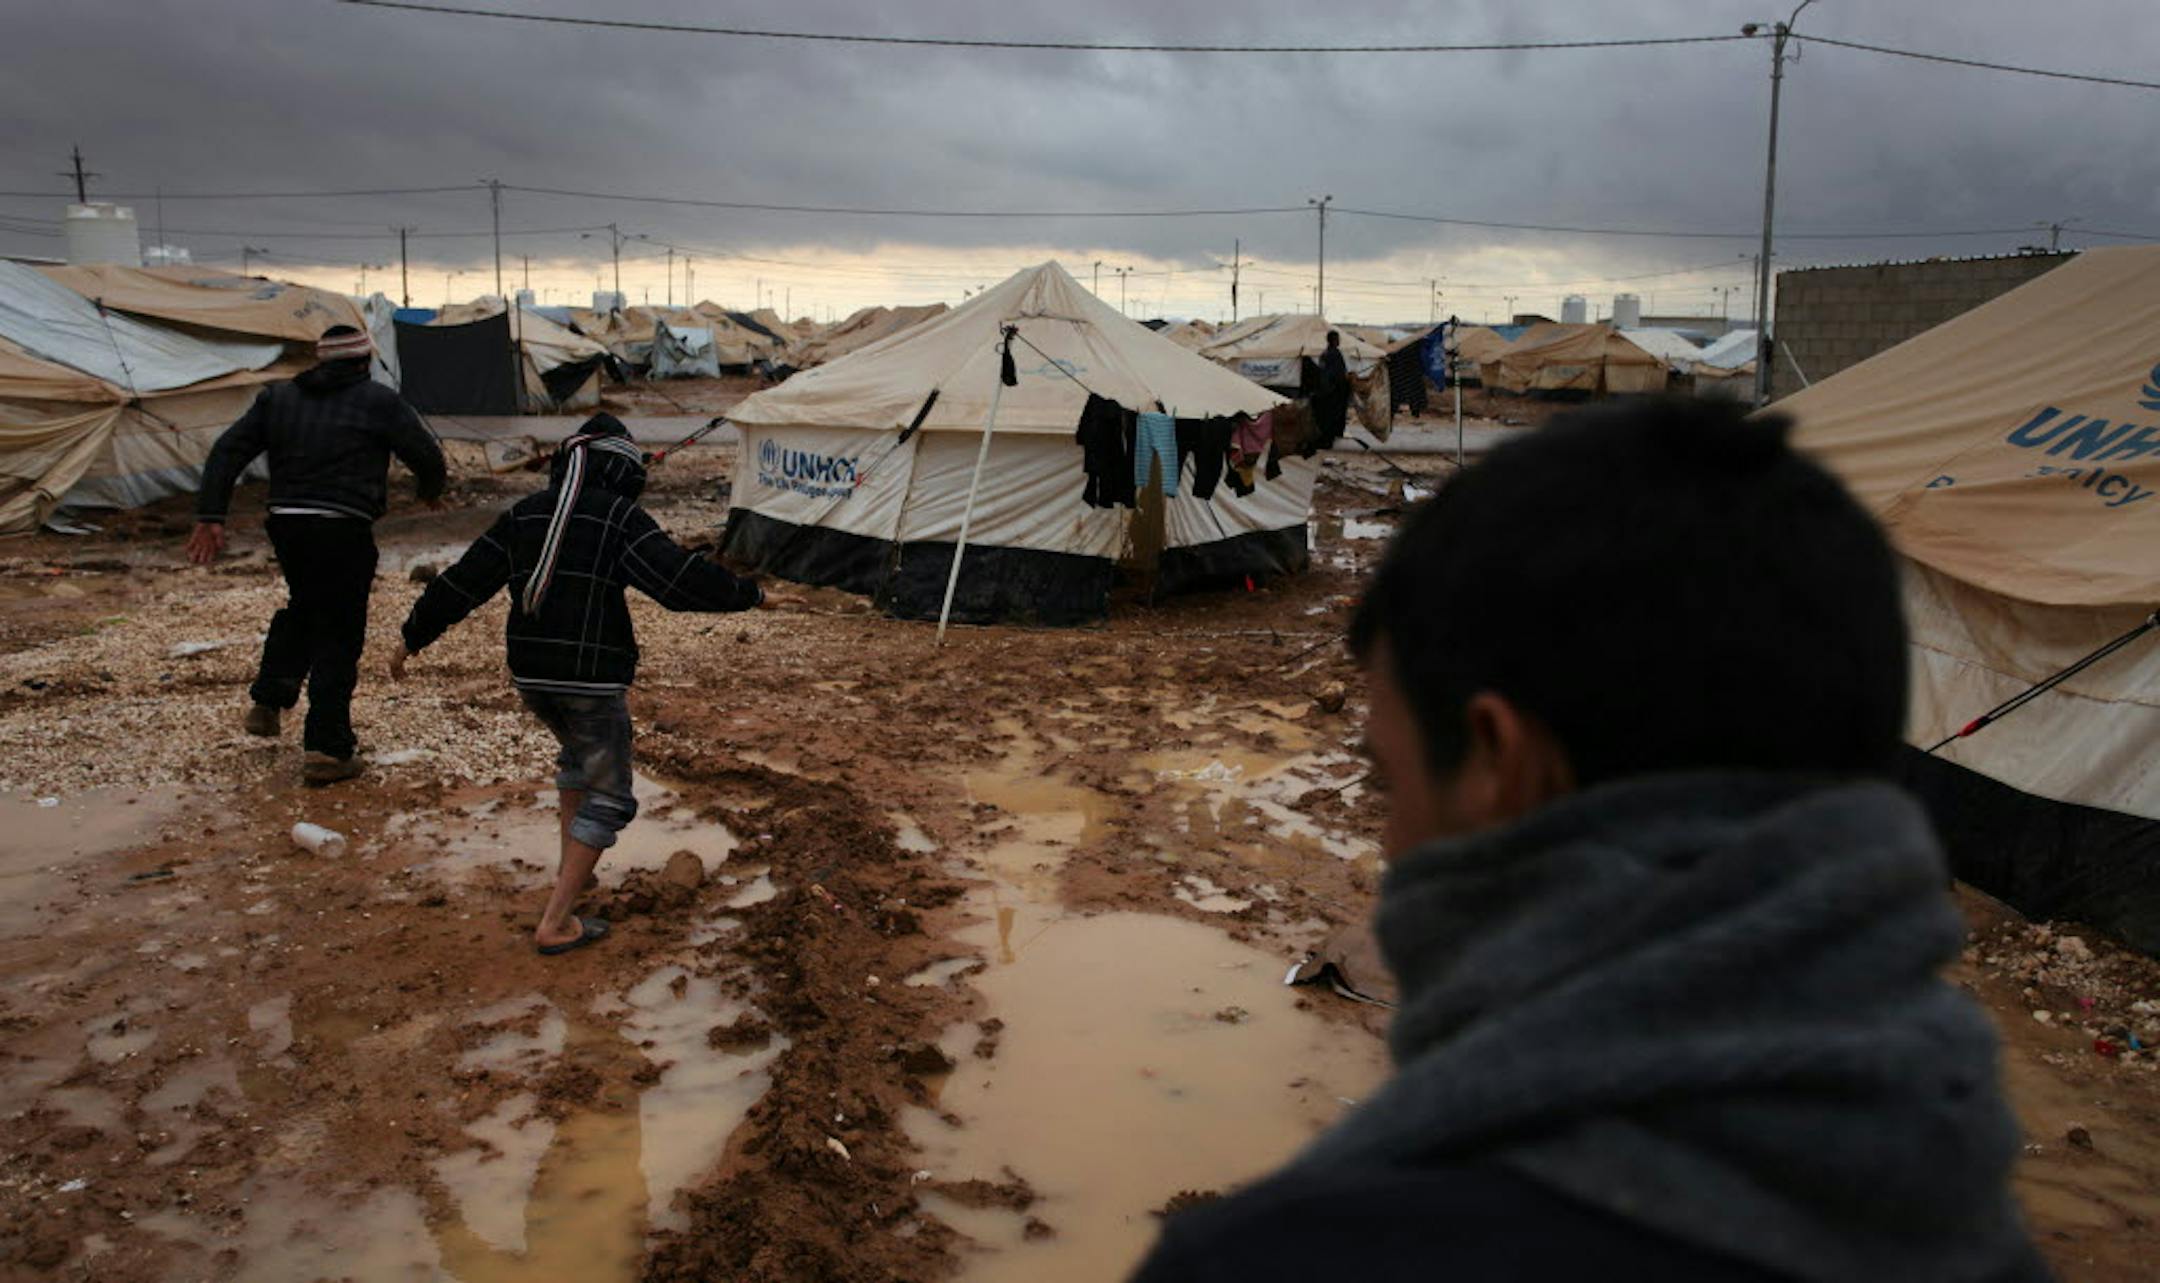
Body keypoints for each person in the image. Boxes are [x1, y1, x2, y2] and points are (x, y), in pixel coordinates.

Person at [1130, 398, 2047, 1283]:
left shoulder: (1279, 1258)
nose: (1392, 842)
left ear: (1498, 760)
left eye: (1387, 783)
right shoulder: (1980, 1227)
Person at [390, 414, 766, 955]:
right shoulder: (620, 518)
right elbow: (678, 582)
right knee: (611, 798)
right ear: (621, 471)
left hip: (531, 677)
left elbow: (463, 581)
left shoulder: (525, 513)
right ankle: (557, 921)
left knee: (576, 766)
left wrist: (412, 636)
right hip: (590, 681)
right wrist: (753, 595)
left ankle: (575, 873)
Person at [188, 324, 445, 786]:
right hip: (344, 526)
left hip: (287, 525)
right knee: (340, 631)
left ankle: (271, 695)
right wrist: (431, 490)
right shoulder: (379, 401)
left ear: (321, 360)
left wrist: (211, 514)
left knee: (306, 606)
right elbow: (425, 453)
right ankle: (327, 748)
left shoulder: (278, 398)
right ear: (365, 362)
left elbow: (228, 451)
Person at [1311, 329, 1352, 446]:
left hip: (1325, 392)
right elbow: (1337, 374)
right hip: (1334, 392)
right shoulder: (1335, 354)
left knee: (1325, 417)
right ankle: (1329, 438)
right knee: (1333, 416)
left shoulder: (1324, 354)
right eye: (1338, 339)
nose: (1339, 341)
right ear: (1334, 340)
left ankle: (1325, 438)